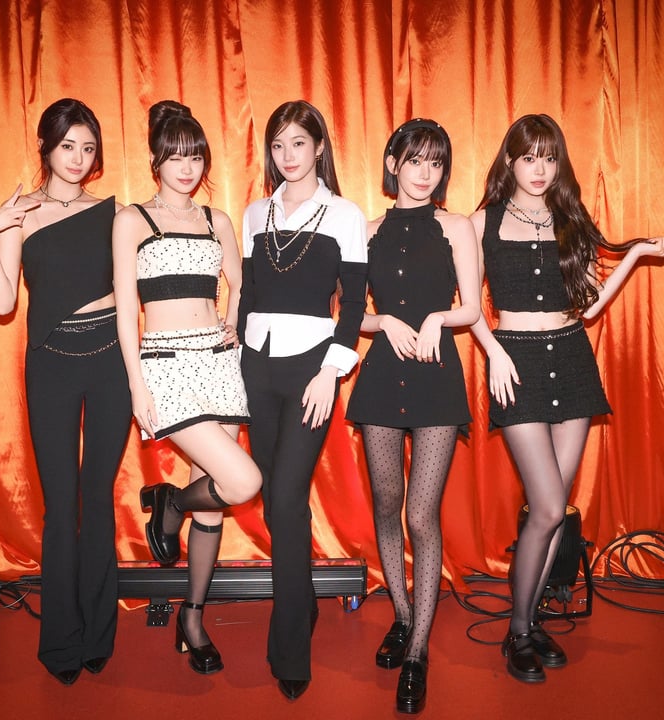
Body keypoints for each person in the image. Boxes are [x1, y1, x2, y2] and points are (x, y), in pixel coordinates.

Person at [469, 113, 664, 684]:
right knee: (547, 507)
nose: (539, 168)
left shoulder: (570, 216)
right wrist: (494, 353)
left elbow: (588, 307)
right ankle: (518, 630)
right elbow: (465, 302)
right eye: (528, 156)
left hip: (572, 357)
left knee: (555, 509)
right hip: (515, 361)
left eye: (549, 157)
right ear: (509, 161)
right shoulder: (483, 221)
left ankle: (529, 623)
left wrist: (634, 255)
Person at [0, 98, 131, 685]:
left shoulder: (114, 214)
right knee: (61, 504)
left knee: (97, 497)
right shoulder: (21, 215)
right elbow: (2, 302)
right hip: (51, 364)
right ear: (46, 146)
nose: (78, 158)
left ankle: (98, 634)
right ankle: (62, 641)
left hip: (111, 361)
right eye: (68, 145)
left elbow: (135, 291)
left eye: (88, 148)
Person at [114, 100, 262, 676]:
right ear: (156, 160)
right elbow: (126, 310)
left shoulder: (216, 219)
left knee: (215, 504)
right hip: (167, 364)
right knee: (242, 481)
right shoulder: (132, 220)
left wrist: (234, 320)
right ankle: (170, 503)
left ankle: (192, 617)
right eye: (175, 156)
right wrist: (136, 385)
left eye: (195, 156)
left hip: (220, 362)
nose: (186, 167)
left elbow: (241, 284)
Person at [345, 118, 481, 714]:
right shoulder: (366, 231)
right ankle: (401, 616)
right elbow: (347, 314)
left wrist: (435, 318)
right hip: (381, 375)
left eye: (436, 162)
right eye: (415, 160)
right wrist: (384, 323)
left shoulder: (457, 227)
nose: (425, 173)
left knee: (421, 515)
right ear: (392, 163)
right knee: (386, 502)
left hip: (435, 375)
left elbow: (472, 308)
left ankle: (418, 650)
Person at [237, 100, 367, 701]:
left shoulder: (344, 214)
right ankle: (304, 600)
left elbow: (355, 305)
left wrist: (330, 372)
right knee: (277, 501)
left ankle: (290, 650)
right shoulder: (254, 213)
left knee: (287, 496)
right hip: (256, 366)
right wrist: (239, 361)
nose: (287, 155)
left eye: (298, 143)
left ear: (318, 147)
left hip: (313, 368)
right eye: (278, 145)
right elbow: (247, 297)